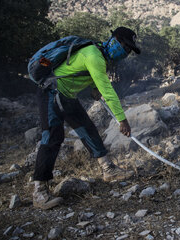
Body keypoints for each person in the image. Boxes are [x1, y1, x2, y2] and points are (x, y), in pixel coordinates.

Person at [32, 27, 140, 210]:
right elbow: (108, 91)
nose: (126, 52)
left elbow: (83, 74)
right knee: (52, 137)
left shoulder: (99, 56)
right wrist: (122, 120)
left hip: (66, 96)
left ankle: (108, 169)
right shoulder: (94, 55)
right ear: (113, 40)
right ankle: (39, 191)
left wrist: (93, 87)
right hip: (51, 92)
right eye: (125, 46)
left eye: (129, 50)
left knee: (88, 129)